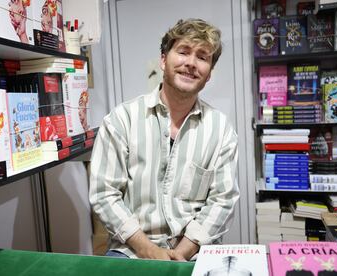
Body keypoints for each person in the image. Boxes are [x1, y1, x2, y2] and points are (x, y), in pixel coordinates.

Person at [89, 18, 239, 261]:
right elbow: (104, 194)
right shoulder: (121, 120)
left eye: (202, 57)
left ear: (209, 73)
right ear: (163, 59)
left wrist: (183, 251)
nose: (191, 63)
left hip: (194, 252)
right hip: (130, 251)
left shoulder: (221, 130)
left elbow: (223, 199)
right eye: (183, 52)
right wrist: (150, 251)